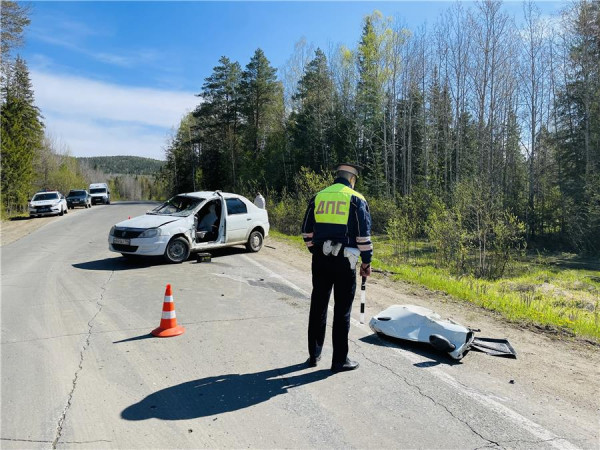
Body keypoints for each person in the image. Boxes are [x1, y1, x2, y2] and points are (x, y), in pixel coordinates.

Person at [301, 163, 373, 372]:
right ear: (352, 179)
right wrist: (366, 262)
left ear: (337, 177)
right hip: (345, 261)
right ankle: (339, 360)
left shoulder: (318, 197)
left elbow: (306, 231)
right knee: (342, 310)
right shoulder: (356, 199)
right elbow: (363, 236)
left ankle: (314, 355)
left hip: (321, 259)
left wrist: (315, 251)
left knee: (318, 306)